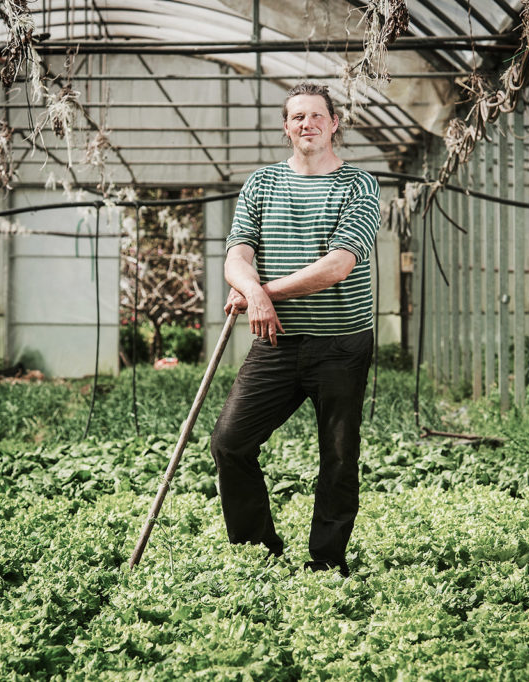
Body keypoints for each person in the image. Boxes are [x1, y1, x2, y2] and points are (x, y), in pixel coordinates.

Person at [211, 82, 380, 577]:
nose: (306, 124)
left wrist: (262, 293)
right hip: (276, 343)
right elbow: (237, 254)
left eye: (316, 115)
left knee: (339, 454)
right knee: (229, 442)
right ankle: (257, 550)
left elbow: (337, 267)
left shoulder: (358, 185)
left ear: (334, 124)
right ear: (286, 128)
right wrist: (254, 292)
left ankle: (327, 560)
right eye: (296, 117)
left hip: (340, 345)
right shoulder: (261, 184)